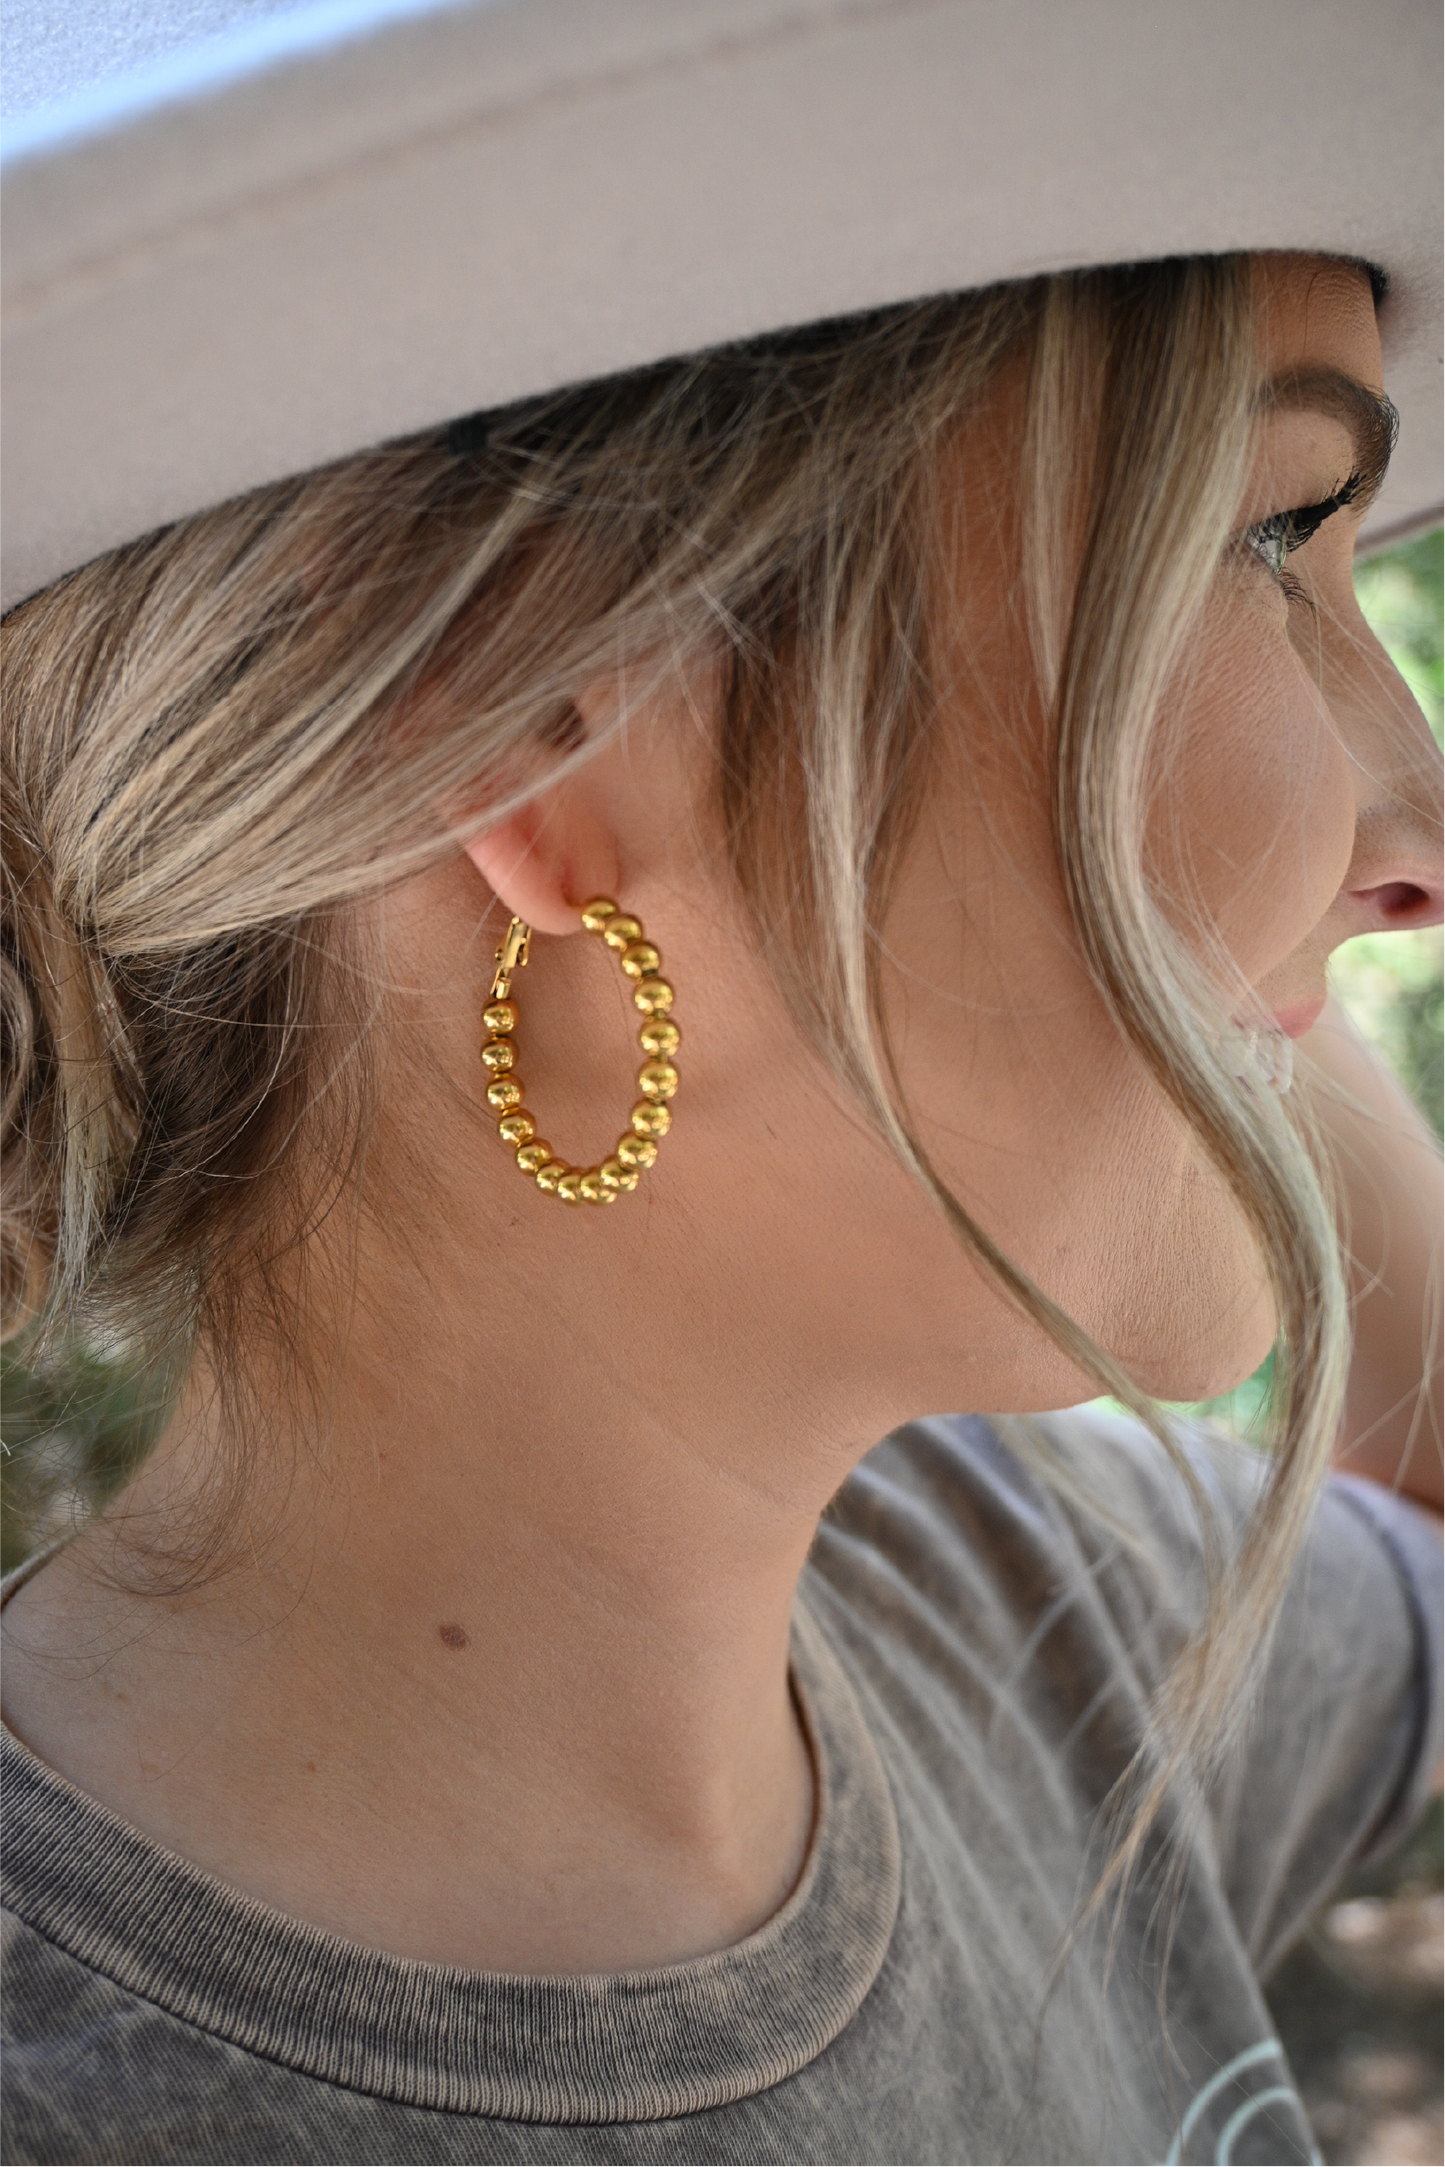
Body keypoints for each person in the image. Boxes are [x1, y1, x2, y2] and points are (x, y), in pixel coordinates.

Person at [0, 4, 1443, 2161]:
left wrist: (1237, 963)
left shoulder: (1017, 1604)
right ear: (536, 720)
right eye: (1264, 538)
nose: (1414, 814)